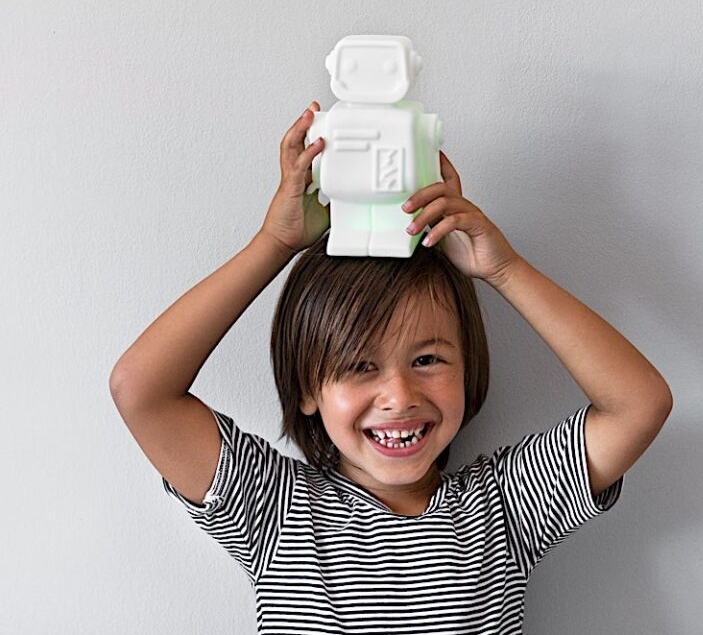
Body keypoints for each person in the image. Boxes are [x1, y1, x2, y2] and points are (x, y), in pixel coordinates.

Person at [109, 101, 673, 633]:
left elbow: (639, 404)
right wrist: (274, 243)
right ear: (308, 388)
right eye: (360, 366)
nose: (399, 396)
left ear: (468, 368)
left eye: (427, 360)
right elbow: (140, 390)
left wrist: (503, 270)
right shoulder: (276, 511)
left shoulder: (503, 508)